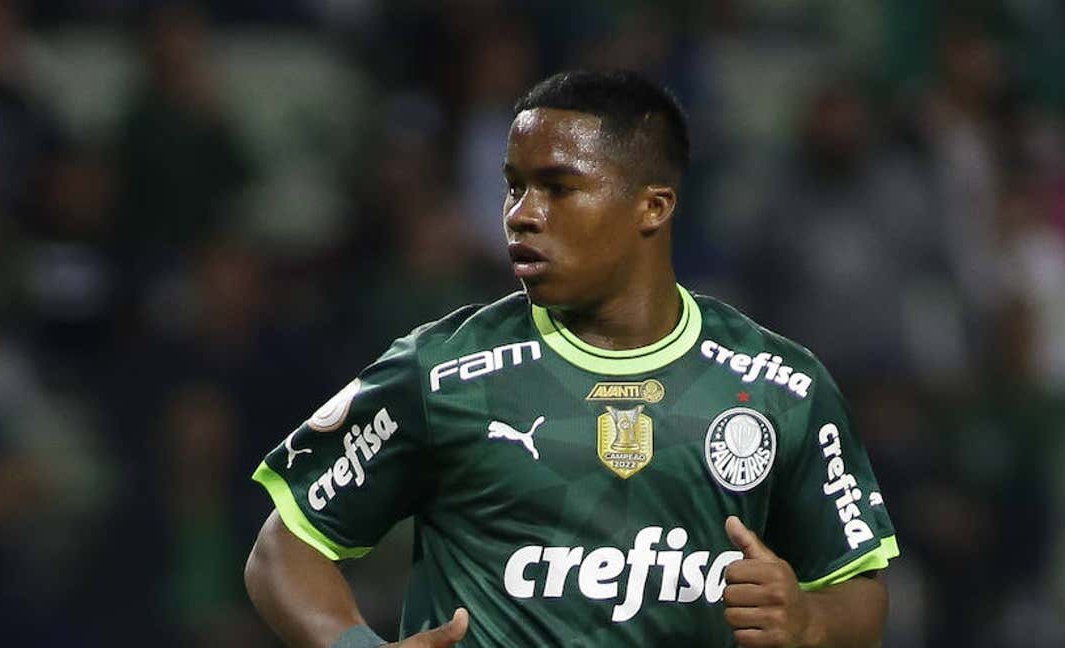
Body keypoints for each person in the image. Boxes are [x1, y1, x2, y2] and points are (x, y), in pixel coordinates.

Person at [244, 70, 898, 648]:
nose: (521, 215)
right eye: (514, 187)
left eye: (558, 188)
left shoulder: (782, 385)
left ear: (653, 206)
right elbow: (283, 547)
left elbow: (860, 594)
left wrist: (809, 621)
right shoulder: (439, 371)